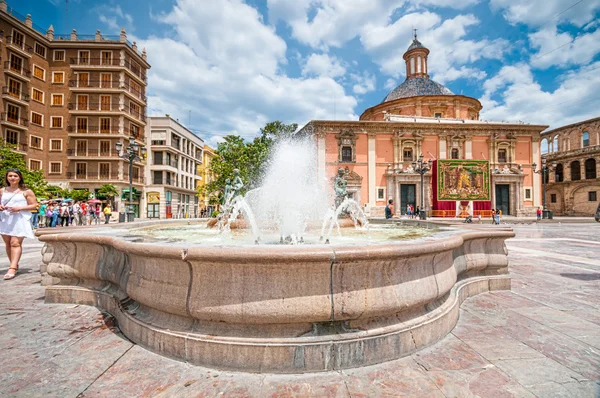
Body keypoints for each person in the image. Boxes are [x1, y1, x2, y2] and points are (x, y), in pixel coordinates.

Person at [0, 168, 38, 280]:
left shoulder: (26, 191)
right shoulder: (2, 190)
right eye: (10, 176)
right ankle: (14, 263)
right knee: (8, 244)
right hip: (5, 219)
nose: (12, 178)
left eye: (15, 176)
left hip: (19, 219)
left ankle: (12, 268)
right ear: (7, 177)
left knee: (15, 243)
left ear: (20, 177)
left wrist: (20, 208)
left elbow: (34, 205)